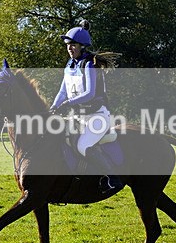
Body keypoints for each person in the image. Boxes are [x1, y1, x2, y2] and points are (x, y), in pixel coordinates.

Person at [50, 20, 123, 194]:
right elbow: (63, 92)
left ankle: (112, 178)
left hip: (97, 116)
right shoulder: (70, 65)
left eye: (73, 45)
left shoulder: (90, 64)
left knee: (83, 146)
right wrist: (53, 106)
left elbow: (90, 94)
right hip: (78, 117)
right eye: (68, 45)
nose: (69, 48)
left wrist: (67, 104)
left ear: (82, 46)